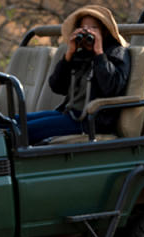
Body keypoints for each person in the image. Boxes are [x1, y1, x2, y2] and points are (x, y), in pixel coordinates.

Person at [24, 5, 130, 144]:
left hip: (91, 121)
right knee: (11, 122)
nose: (88, 32)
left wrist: (99, 54)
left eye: (94, 28)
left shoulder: (116, 53)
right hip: (70, 114)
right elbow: (57, 86)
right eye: (84, 28)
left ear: (104, 32)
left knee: (23, 131)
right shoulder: (81, 55)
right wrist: (69, 55)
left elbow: (112, 87)